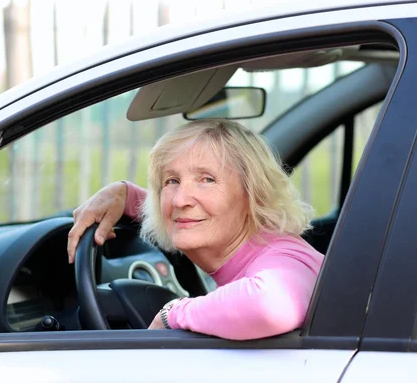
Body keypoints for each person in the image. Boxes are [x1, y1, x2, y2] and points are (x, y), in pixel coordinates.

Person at [66, 119, 324, 340]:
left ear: (253, 194)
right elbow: (177, 210)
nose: (180, 200)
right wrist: (123, 193)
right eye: (172, 181)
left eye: (207, 180)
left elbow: (271, 304)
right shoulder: (256, 242)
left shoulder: (284, 258)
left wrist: (173, 314)